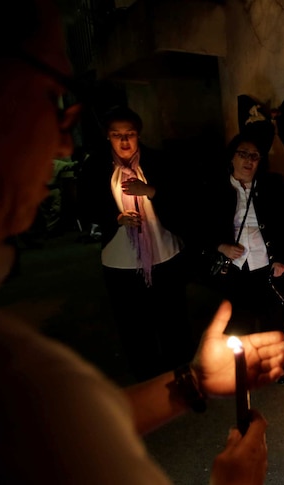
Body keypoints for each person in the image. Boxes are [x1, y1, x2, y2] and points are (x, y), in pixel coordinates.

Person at [0, 1, 284, 483]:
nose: (62, 144)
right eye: (54, 99)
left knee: (170, 317)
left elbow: (65, 423)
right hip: (122, 262)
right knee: (138, 326)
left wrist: (191, 383)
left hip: (166, 257)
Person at [79, 106, 193, 381]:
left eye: (129, 134)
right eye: (117, 135)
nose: (124, 141)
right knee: (133, 322)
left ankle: (180, 370)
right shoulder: (95, 166)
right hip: (121, 259)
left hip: (164, 251)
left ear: (138, 135)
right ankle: (148, 375)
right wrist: (116, 217)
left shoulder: (157, 162)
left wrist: (150, 191)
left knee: (172, 316)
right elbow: (85, 206)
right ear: (108, 137)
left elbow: (183, 198)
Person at [188, 129, 284, 340]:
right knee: (237, 324)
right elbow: (197, 227)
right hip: (234, 268)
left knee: (272, 323)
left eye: (254, 156)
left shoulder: (272, 185)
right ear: (232, 157)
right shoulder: (214, 189)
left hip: (266, 266)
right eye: (243, 154)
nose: (249, 160)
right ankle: (241, 366)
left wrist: (282, 258)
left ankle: (277, 369)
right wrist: (221, 247)